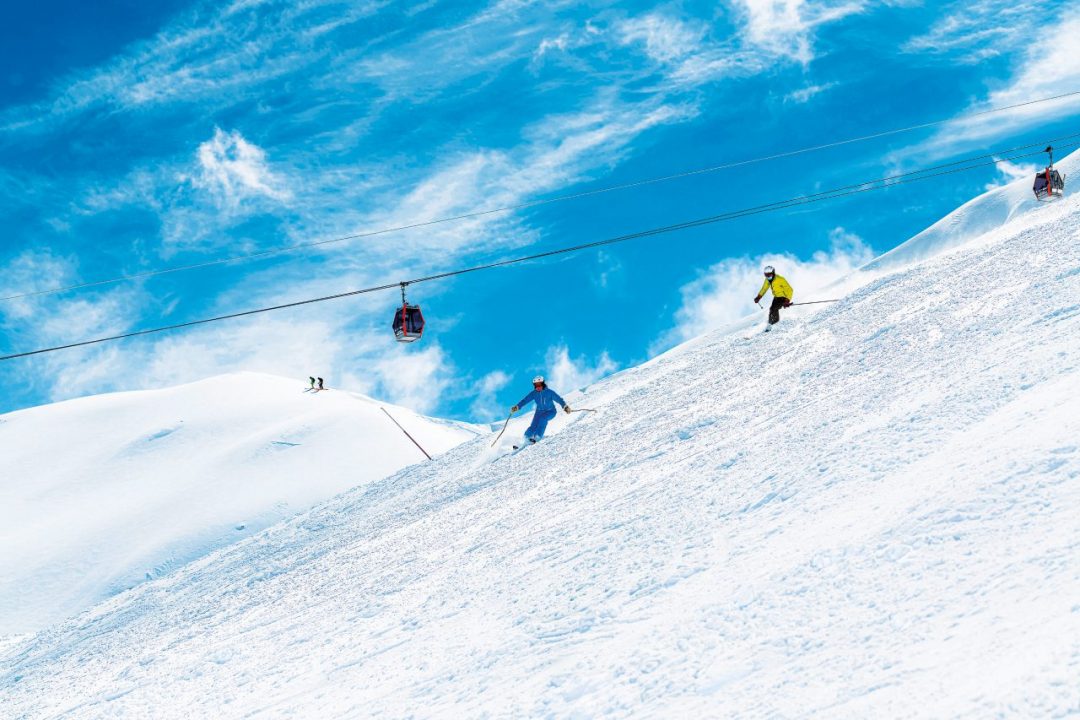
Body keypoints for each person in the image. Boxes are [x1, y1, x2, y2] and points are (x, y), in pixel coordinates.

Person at [511, 375, 570, 444]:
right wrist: (517, 407)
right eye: (535, 385)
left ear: (543, 384)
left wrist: (565, 406)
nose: (537, 387)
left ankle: (537, 436)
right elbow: (525, 400)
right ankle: (525, 439)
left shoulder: (549, 392)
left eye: (539, 385)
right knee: (534, 425)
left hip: (550, 411)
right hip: (539, 411)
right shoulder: (534, 393)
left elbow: (559, 399)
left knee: (543, 419)